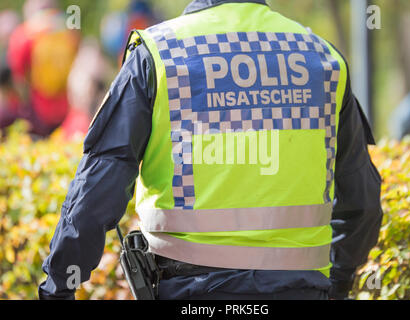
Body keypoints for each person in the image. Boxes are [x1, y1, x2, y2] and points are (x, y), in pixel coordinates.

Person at [39, 0, 383, 300]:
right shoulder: (322, 58)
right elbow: (362, 204)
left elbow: (99, 187)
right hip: (302, 289)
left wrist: (59, 285)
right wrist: (335, 285)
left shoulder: (160, 54)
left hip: (190, 293)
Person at [4, 0, 79, 137]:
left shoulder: (24, 34)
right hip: (67, 107)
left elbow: (18, 77)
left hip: (39, 108)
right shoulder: (69, 30)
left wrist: (22, 107)